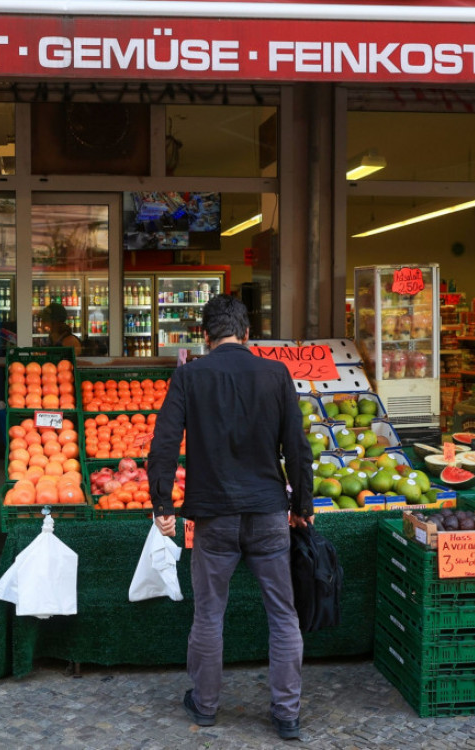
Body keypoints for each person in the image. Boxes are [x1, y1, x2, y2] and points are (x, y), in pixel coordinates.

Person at [147, 294, 313, 741]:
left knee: (208, 615)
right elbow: (297, 448)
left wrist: (162, 505)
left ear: (205, 336)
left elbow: (163, 444)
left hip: (214, 516)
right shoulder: (276, 374)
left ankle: (204, 705)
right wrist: (303, 509)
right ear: (247, 334)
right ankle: (286, 714)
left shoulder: (189, 376)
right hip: (268, 514)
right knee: (283, 615)